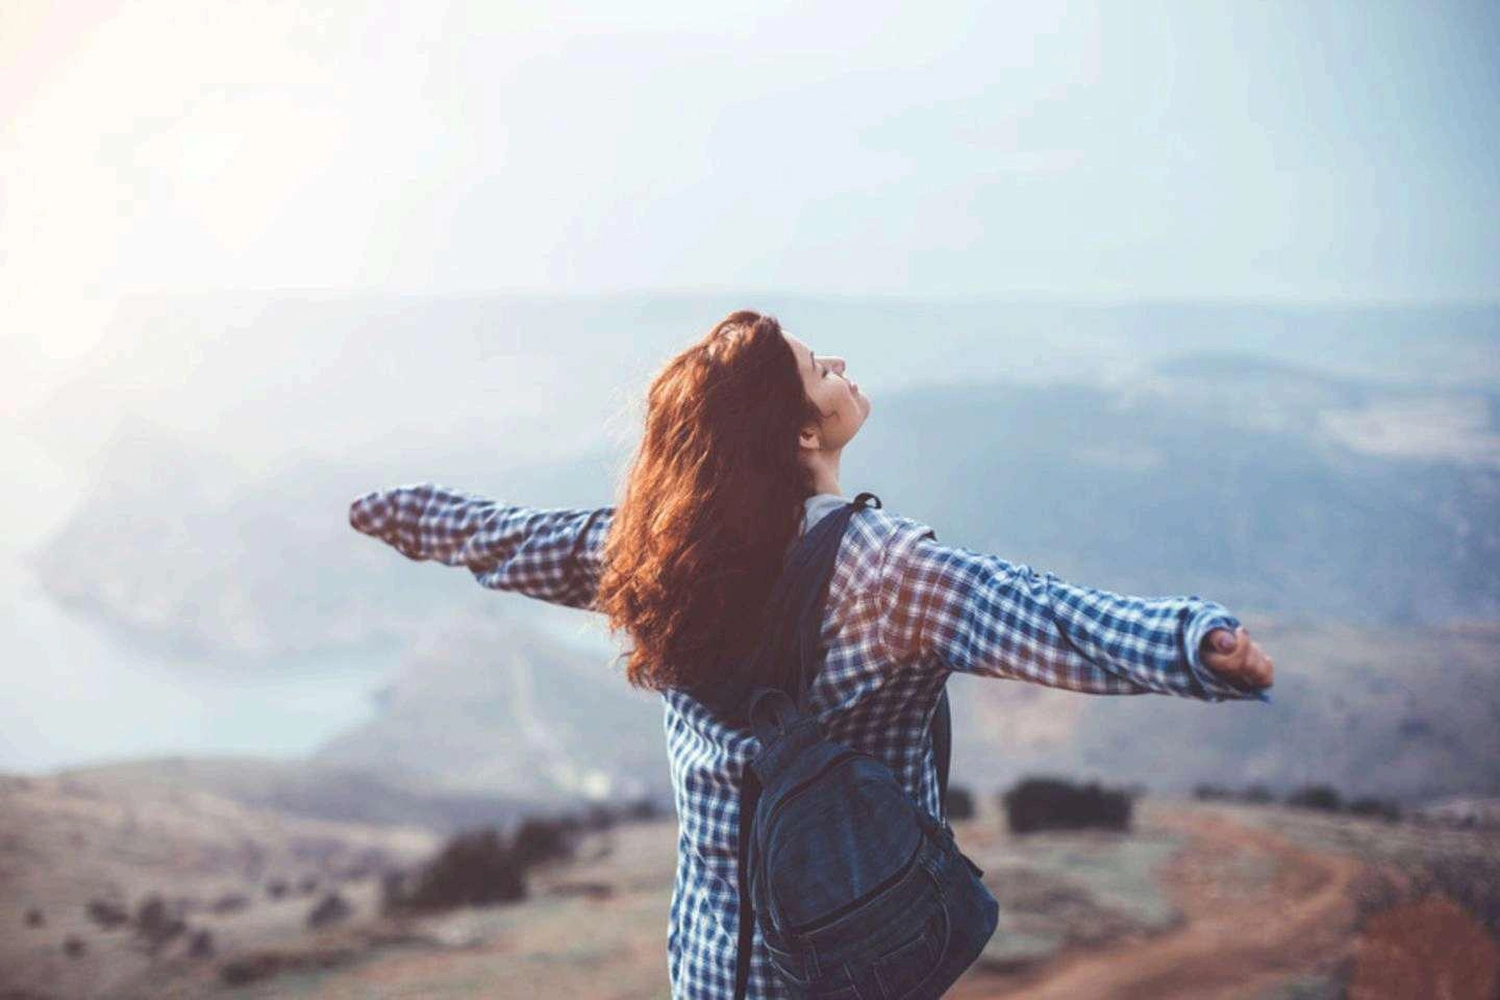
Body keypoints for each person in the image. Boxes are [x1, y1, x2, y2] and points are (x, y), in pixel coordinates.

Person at [348, 309, 1275, 999]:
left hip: (713, 969)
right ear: (799, 433)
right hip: (849, 963)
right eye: (814, 368)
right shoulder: (882, 571)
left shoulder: (655, 553)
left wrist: (398, 515)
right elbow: (1041, 617)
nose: (837, 363)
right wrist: (1193, 645)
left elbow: (511, 540)